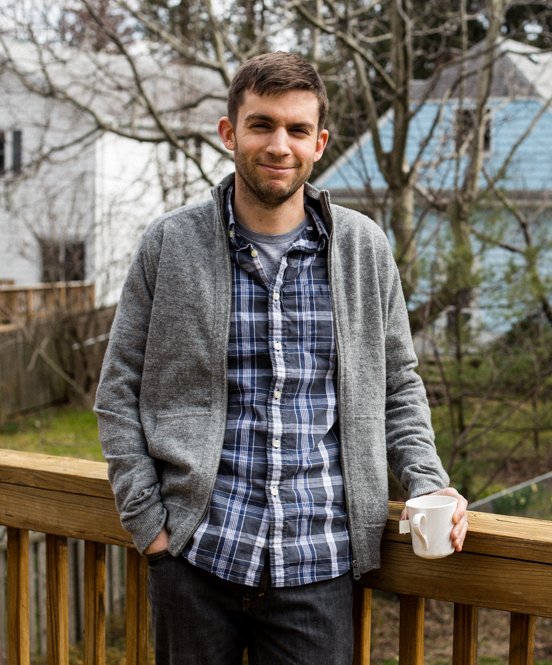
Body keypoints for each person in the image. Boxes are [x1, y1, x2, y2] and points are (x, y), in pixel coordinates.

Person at [95, 52, 468, 665]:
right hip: (195, 558)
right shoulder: (169, 245)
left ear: (319, 142)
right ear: (229, 132)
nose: (279, 144)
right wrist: (152, 528)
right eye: (261, 124)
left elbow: (397, 385)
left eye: (297, 129)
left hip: (318, 566)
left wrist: (430, 483)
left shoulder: (362, 249)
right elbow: (118, 392)